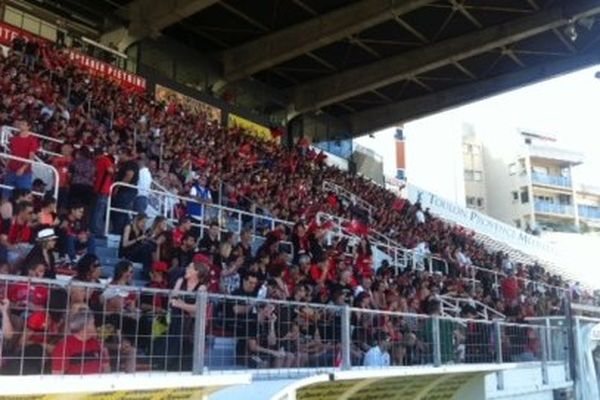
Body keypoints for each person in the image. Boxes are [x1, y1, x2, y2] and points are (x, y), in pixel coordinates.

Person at [3, 120, 39, 197]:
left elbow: (31, 157)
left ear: (28, 127)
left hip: (24, 173)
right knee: (5, 195)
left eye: (23, 124)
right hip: (11, 170)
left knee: (24, 197)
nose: (20, 125)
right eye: (20, 124)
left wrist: (23, 168)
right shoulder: (13, 139)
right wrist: (6, 166)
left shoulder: (32, 140)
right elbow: (11, 154)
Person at [110, 149, 139, 234]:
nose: (119, 156)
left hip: (126, 191)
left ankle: (117, 231)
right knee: (120, 211)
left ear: (125, 154)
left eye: (120, 154)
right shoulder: (125, 164)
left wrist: (118, 186)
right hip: (126, 191)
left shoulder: (130, 164)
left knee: (120, 211)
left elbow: (129, 175)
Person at [119, 213, 155, 279]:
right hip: (127, 253)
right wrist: (138, 239)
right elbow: (124, 244)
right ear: (137, 220)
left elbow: (141, 243)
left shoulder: (141, 230)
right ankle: (147, 271)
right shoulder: (129, 227)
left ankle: (149, 270)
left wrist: (147, 237)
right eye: (143, 222)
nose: (144, 224)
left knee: (150, 245)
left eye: (145, 223)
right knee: (146, 246)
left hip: (136, 252)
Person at [91, 144, 115, 237]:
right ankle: (97, 232)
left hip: (97, 188)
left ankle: (93, 229)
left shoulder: (95, 162)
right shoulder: (105, 160)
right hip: (104, 189)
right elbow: (110, 171)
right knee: (100, 211)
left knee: (96, 210)